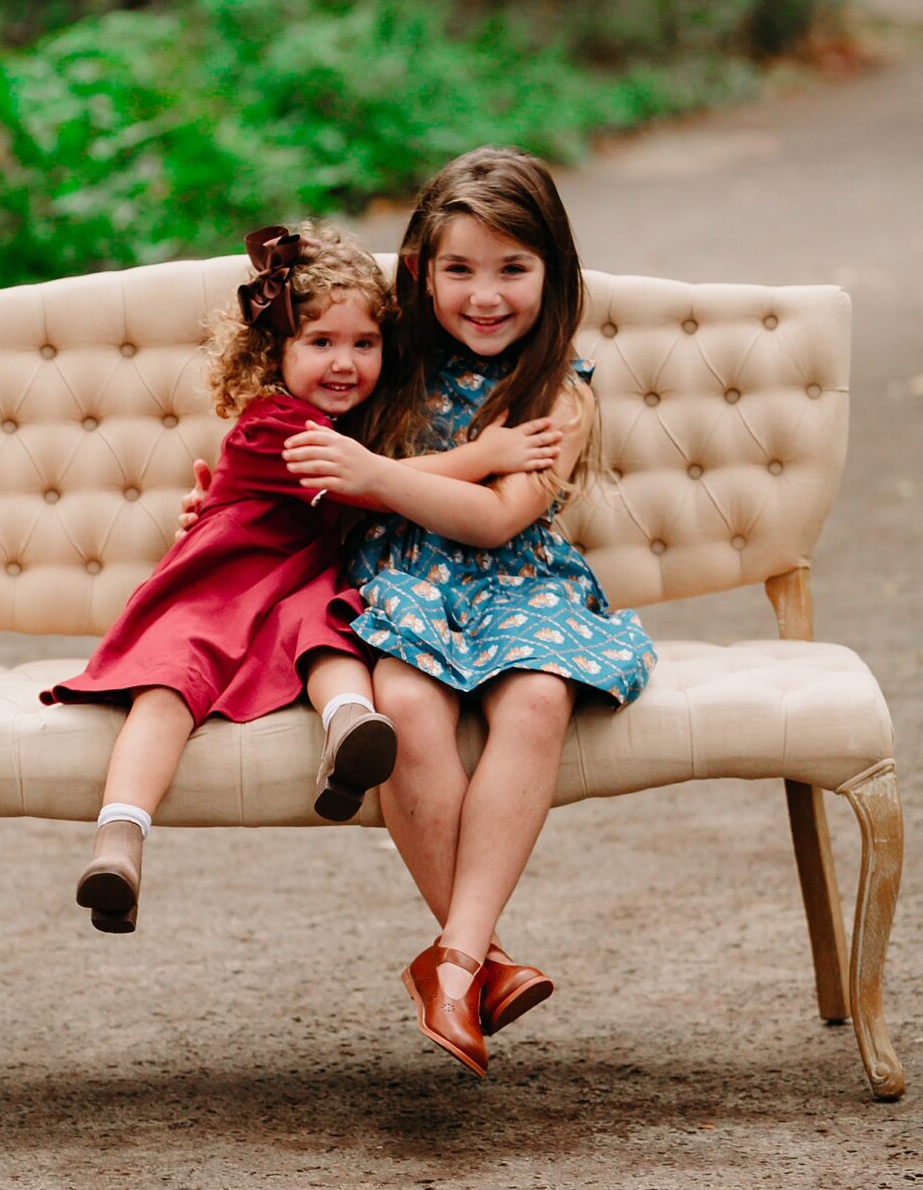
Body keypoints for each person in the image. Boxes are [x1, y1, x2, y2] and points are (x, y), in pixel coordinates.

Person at [40, 218, 566, 935]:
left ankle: (351, 733)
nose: (343, 362)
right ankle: (119, 840)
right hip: (223, 582)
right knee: (171, 681)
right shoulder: (276, 427)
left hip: (296, 582)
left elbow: (376, 476)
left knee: (331, 628)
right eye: (320, 343)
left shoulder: (357, 422)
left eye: (363, 343)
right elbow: (373, 484)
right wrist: (488, 453)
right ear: (274, 351)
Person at [280, 149, 657, 1078]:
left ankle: (451, 957)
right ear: (418, 271)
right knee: (406, 712)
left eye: (511, 269)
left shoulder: (557, 391)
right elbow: (285, 413)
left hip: (523, 582)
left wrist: (377, 477)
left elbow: (497, 518)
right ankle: (479, 964)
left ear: (552, 274)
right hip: (403, 578)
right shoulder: (383, 354)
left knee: (537, 700)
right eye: (459, 269)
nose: (484, 296)